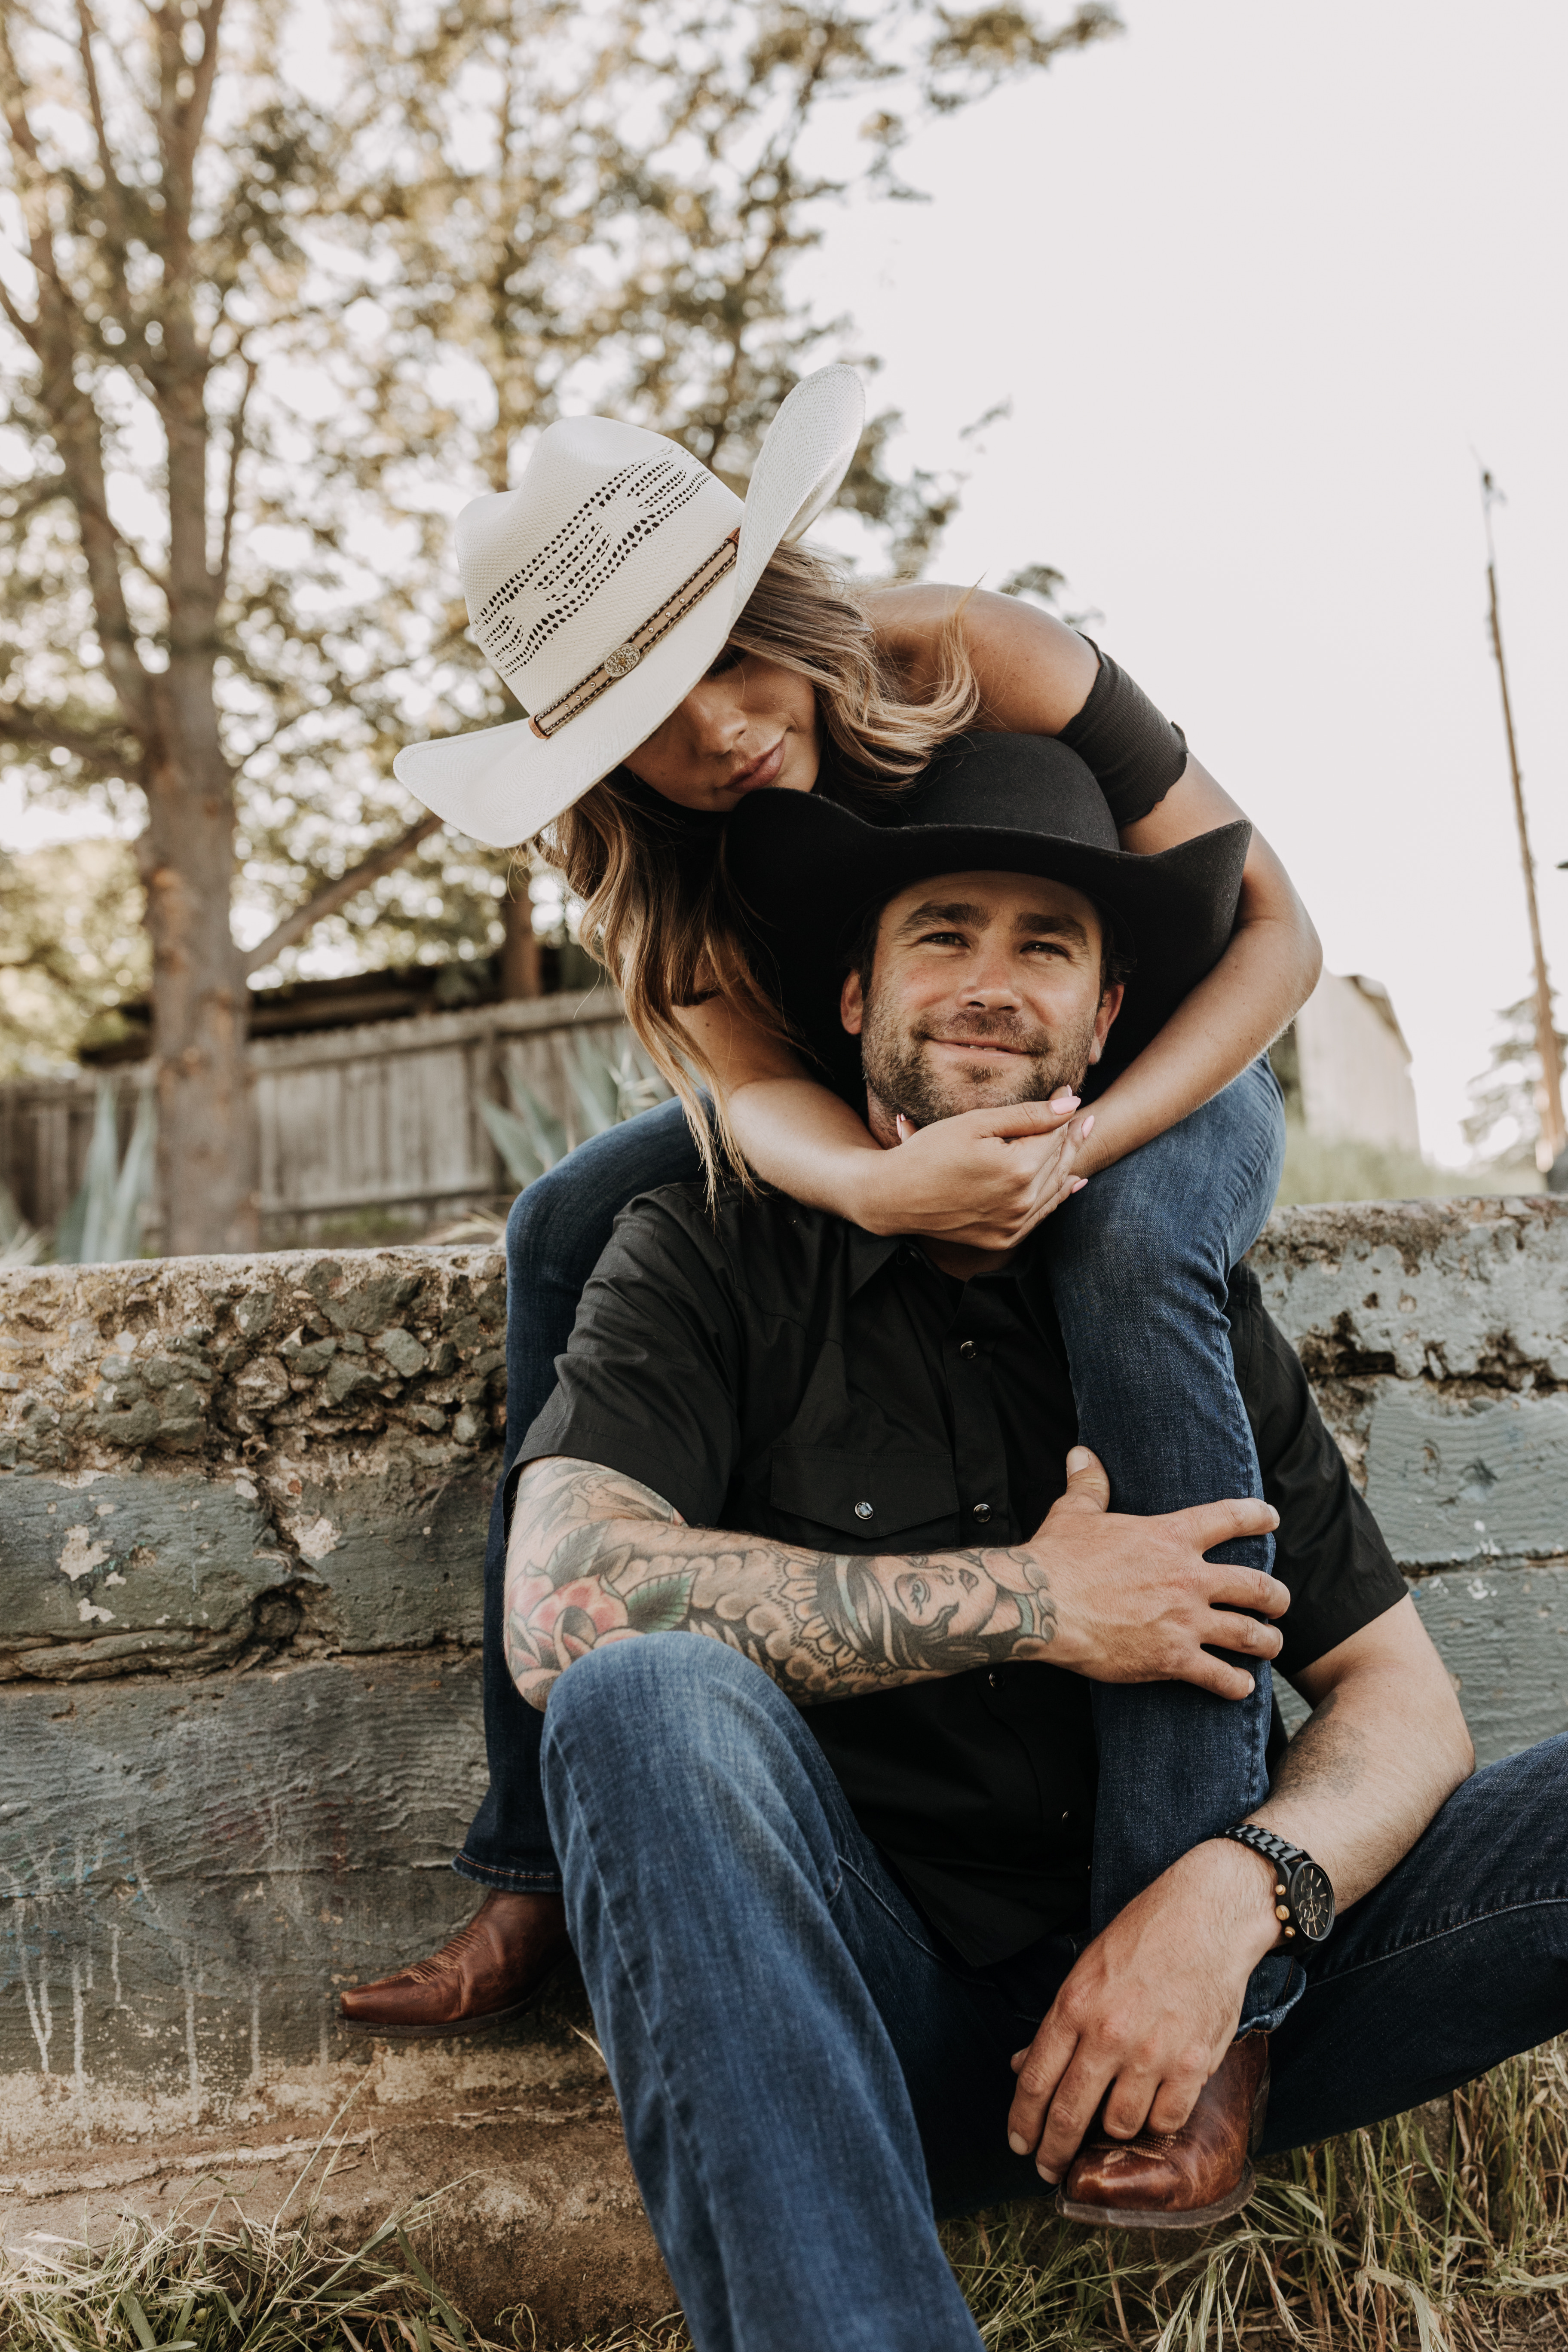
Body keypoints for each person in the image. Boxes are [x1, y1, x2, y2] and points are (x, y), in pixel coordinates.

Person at [487, 744, 1568, 2348]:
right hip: (868, 2024)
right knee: (642, 1701)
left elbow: (1402, 1703)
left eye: (1045, 945)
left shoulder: (1168, 1292)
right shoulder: (707, 1251)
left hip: (1211, 2023)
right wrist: (1037, 1603)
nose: (994, 983)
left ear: (1106, 1019)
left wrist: (1233, 1900)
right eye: (946, 933)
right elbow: (561, 1604)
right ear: (851, 998)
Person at [343, 364, 1320, 2034]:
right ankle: (534, 1862)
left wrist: (1084, 1143)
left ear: (782, 594)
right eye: (641, 717)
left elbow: (1278, 938)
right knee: (563, 1228)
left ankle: (1200, 1918)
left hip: (1162, 1066)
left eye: (726, 655)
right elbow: (756, 1097)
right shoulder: (645, 859)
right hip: (874, 1109)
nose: (713, 730)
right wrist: (884, 1187)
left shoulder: (976, 653)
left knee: (1134, 1245)